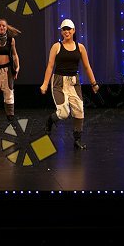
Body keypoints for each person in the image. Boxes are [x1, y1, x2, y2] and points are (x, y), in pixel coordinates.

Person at [39, 19, 99, 150]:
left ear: (73, 30)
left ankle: (77, 140)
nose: (67, 32)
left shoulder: (80, 47)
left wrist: (94, 83)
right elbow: (50, 66)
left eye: (69, 29)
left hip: (74, 83)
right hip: (59, 82)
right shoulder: (56, 46)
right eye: (64, 29)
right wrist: (45, 84)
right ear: (61, 32)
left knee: (79, 111)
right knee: (63, 113)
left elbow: (87, 67)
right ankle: (50, 120)